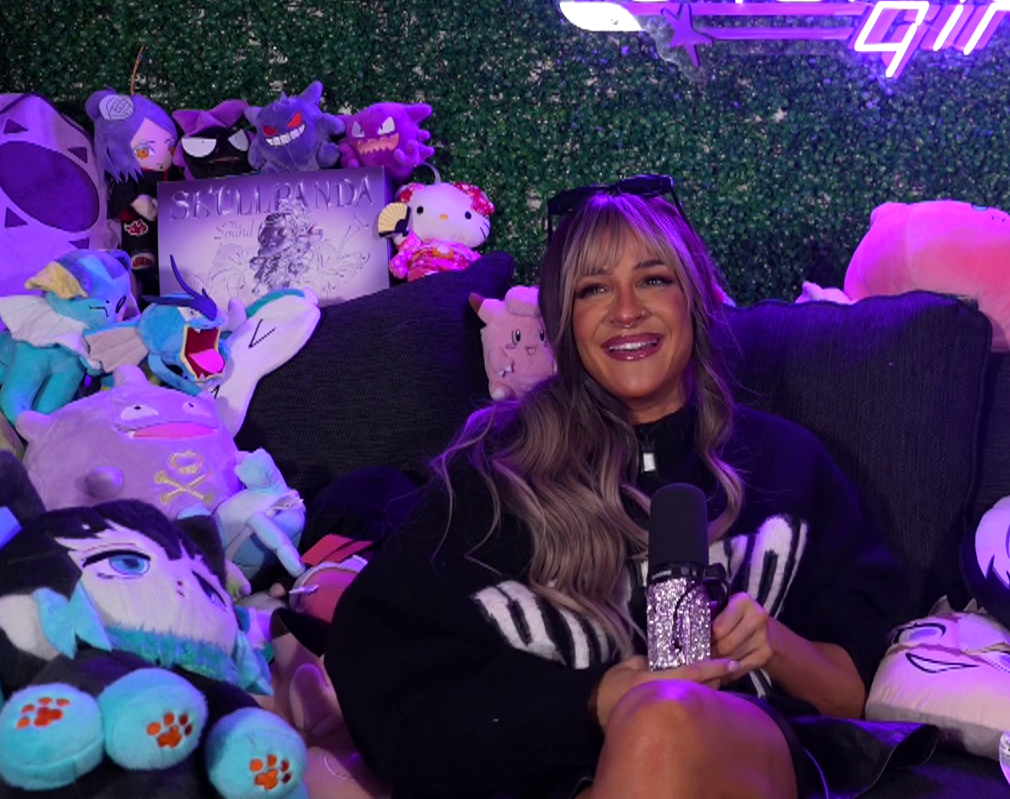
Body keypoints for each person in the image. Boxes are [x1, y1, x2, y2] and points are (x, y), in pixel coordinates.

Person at [328, 177, 920, 798]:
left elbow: (851, 698)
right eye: (594, 289)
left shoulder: (788, 464)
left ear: (694, 298)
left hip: (749, 763)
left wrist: (771, 642)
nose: (627, 310)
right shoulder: (493, 478)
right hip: (559, 778)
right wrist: (591, 701)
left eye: (654, 280)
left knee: (663, 719)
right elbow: (382, 680)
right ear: (563, 320)